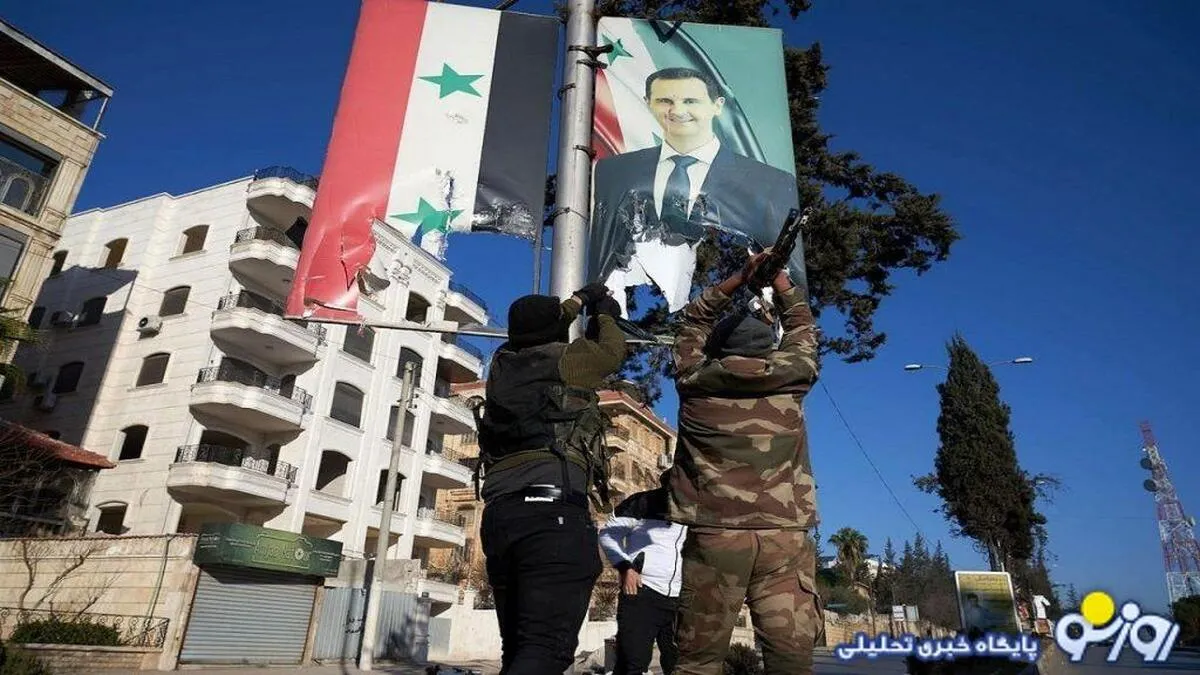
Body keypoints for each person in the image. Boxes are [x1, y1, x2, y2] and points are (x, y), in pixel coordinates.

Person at [665, 251, 821, 675]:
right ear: (768, 347)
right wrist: (780, 280)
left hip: (716, 532)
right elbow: (802, 327)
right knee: (791, 661)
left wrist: (737, 278)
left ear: (716, 350)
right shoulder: (793, 376)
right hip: (783, 534)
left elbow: (692, 321)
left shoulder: (694, 382)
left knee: (697, 662)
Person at [473, 283, 627, 674]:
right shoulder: (566, 360)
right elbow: (611, 353)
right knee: (546, 650)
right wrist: (605, 314)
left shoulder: (502, 363)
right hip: (550, 516)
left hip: (501, 517)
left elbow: (547, 323)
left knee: (519, 650)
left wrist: (580, 299)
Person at [589, 67, 800, 312]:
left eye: (691, 101)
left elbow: (789, 266)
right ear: (648, 104)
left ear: (717, 106)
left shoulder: (769, 182)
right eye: (664, 101)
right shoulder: (613, 171)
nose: (677, 111)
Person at [598, 471, 688, 675]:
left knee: (681, 666)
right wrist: (625, 566)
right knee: (632, 663)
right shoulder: (642, 503)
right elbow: (608, 534)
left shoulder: (696, 510)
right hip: (641, 593)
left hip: (681, 598)